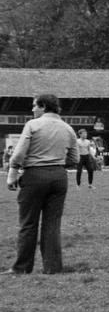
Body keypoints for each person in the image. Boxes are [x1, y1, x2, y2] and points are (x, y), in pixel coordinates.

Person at [6, 94, 80, 276]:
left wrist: (12, 175)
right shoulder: (68, 128)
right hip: (59, 177)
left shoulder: (32, 125)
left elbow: (17, 155)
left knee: (28, 223)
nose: (32, 109)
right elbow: (75, 159)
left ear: (43, 106)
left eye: (34, 106)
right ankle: (53, 268)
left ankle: (22, 268)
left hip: (34, 176)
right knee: (52, 224)